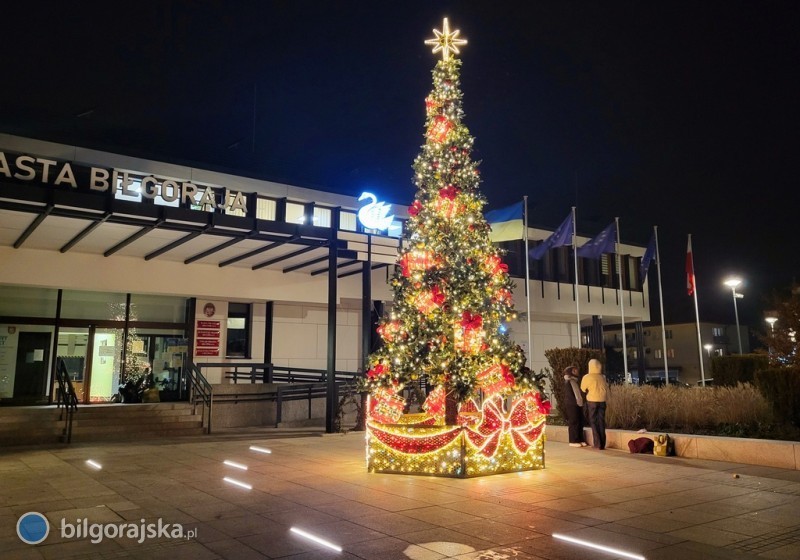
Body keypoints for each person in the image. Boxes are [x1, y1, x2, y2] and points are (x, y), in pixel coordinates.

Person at [580, 358, 609, 450]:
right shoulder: (603, 377)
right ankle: (603, 443)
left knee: (594, 422)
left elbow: (583, 388)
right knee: (601, 422)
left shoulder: (587, 377)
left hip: (592, 401)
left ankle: (597, 444)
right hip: (602, 401)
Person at [563, 365, 588, 447]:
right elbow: (569, 395)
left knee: (580, 422)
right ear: (570, 372)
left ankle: (580, 439)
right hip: (572, 405)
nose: (576, 371)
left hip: (578, 404)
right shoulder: (568, 382)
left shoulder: (574, 381)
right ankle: (573, 440)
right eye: (574, 370)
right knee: (574, 422)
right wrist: (575, 403)